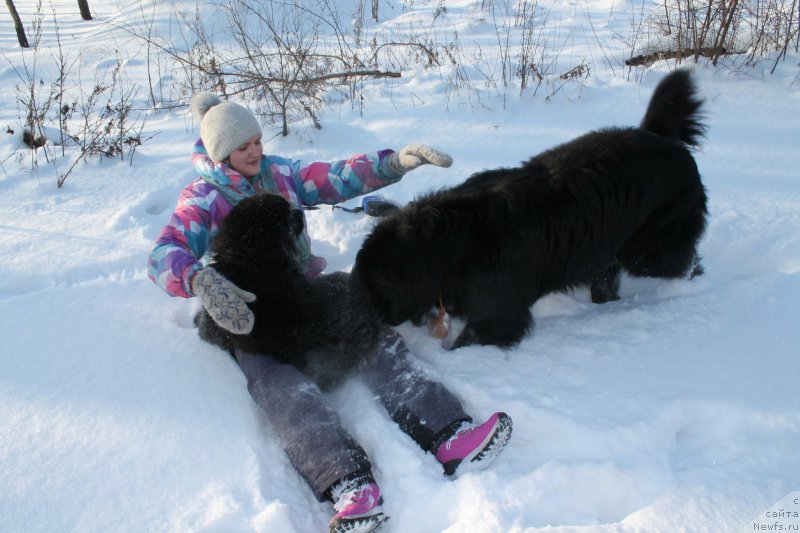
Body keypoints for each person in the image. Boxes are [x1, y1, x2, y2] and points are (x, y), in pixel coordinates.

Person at [148, 92, 513, 533]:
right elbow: (164, 252)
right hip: (248, 310)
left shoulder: (277, 173)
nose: (255, 151)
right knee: (278, 383)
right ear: (222, 151)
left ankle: (451, 433)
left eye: (258, 140)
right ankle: (349, 485)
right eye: (243, 146)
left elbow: (334, 177)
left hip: (303, 289)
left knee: (371, 331)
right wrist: (198, 281)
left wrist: (393, 163)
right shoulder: (205, 198)